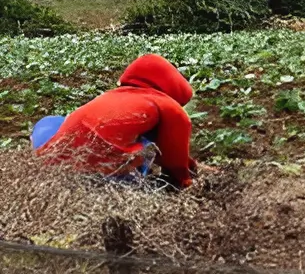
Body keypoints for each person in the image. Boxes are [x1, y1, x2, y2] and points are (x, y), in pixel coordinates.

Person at [33, 53, 199, 188]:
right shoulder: (167, 105)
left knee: (56, 122)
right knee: (150, 145)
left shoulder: (111, 96)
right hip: (101, 175)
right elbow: (174, 159)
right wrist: (185, 179)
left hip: (52, 165)